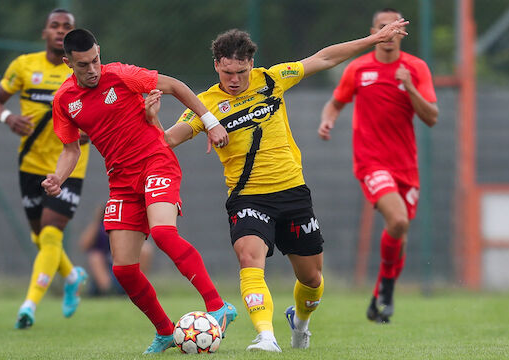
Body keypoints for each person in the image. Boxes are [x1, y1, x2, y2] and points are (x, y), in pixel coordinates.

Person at [150, 19, 408, 352]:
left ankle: (300, 322)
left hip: (292, 192)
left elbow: (325, 58)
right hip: (247, 197)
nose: (234, 80)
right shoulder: (206, 105)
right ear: (216, 65)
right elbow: (167, 140)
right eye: (227, 72)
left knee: (312, 279)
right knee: (249, 257)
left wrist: (374, 39)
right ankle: (265, 336)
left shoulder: (272, 79)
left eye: (241, 72)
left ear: (251, 65)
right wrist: (152, 117)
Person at [42, 28, 237, 354]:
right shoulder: (64, 100)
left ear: (99, 52)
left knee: (162, 233)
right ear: (67, 63)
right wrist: (58, 178)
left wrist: (211, 120)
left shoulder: (121, 75)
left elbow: (175, 86)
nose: (92, 70)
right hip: (120, 180)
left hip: (155, 163)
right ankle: (164, 331)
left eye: (95, 61)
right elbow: (71, 151)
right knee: (124, 270)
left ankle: (217, 306)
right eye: (83, 65)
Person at [319, 8, 438, 324]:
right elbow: (336, 102)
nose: (388, 32)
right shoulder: (358, 69)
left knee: (399, 232)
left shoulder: (415, 68)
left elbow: (432, 117)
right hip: (371, 162)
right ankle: (386, 288)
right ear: (374, 31)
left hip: (406, 166)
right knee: (398, 221)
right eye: (381, 27)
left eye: (394, 27)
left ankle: (381, 295)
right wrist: (327, 121)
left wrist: (409, 87)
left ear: (402, 32)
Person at [0, 8, 89, 329]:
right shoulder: (24, 66)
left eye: (66, 27)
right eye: (54, 26)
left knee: (50, 232)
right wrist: (8, 118)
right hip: (31, 165)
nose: (60, 31)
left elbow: (99, 111)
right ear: (44, 33)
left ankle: (28, 306)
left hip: (69, 165)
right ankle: (71, 276)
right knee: (39, 238)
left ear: (73, 34)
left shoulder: (84, 71)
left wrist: (90, 129)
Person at [79, 205, 154, 296]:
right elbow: (84, 245)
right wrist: (97, 220)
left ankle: (138, 289)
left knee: (145, 249)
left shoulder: (127, 225)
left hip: (126, 269)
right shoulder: (100, 228)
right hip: (106, 272)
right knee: (95, 257)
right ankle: (109, 293)